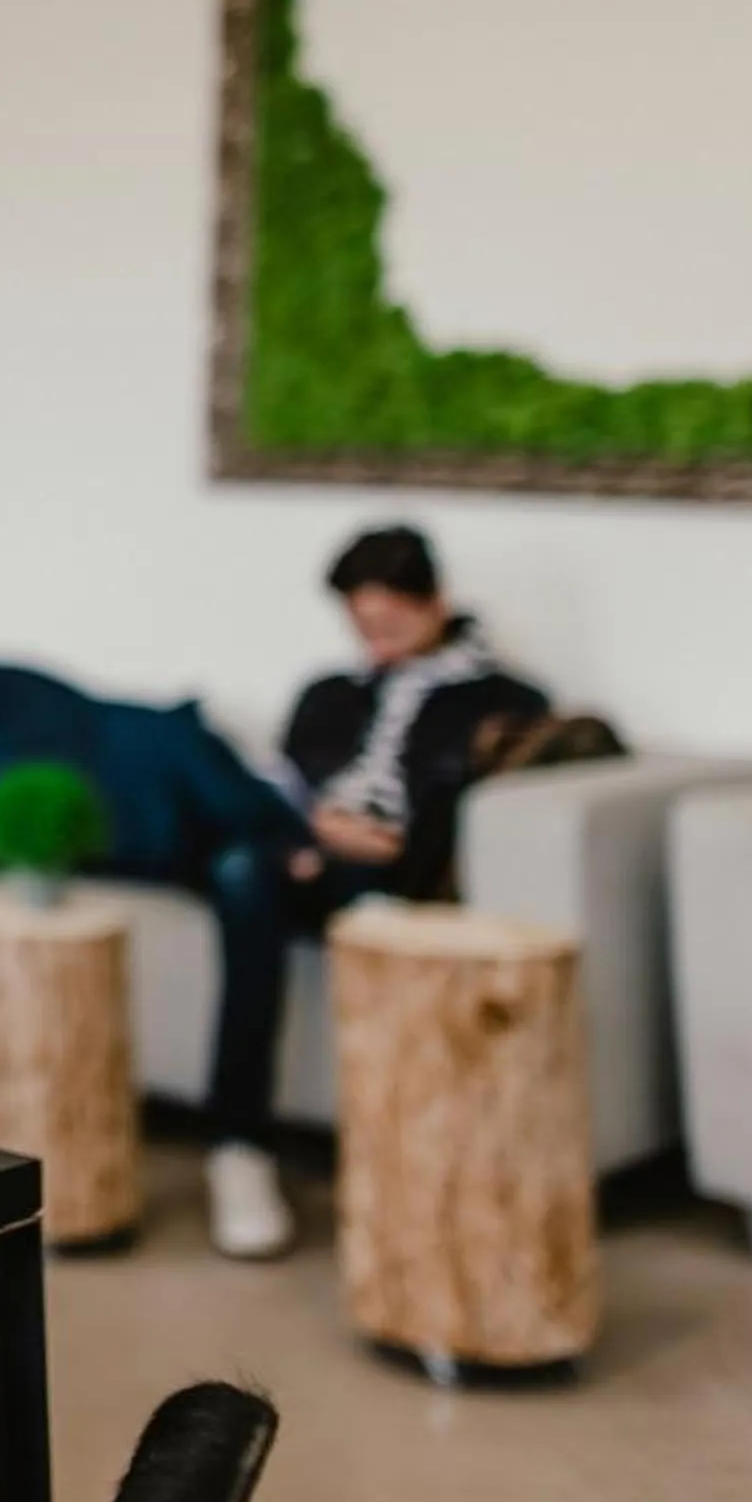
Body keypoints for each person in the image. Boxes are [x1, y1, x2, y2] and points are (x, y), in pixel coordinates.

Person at [202, 525, 546, 1260]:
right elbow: (284, 789)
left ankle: (379, 1166)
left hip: (396, 875)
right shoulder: (328, 695)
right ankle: (240, 1153)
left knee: (274, 879)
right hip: (300, 864)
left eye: (391, 621)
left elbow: (452, 817)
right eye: (361, 623)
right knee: (239, 868)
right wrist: (308, 839)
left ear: (436, 602)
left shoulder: (503, 702)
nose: (374, 639)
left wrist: (369, 841)